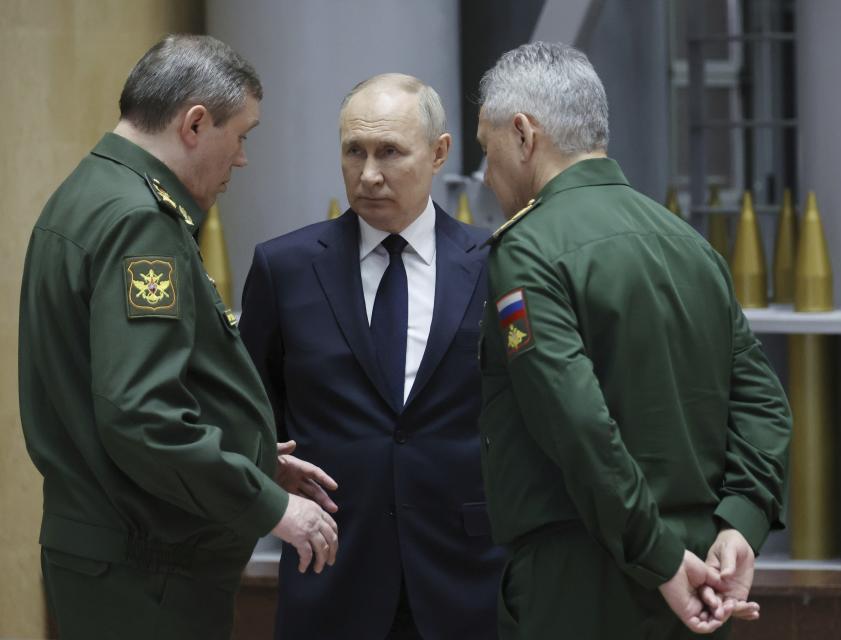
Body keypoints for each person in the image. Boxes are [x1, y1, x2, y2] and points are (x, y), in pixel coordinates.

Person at [19, 34, 339, 640]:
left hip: (116, 556)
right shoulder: (141, 221)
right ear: (195, 123)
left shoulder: (88, 194)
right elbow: (143, 417)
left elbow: (116, 391)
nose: (242, 158)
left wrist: (247, 458)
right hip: (147, 569)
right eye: (241, 135)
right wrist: (268, 505)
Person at [474, 42, 792, 638]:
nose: (487, 176)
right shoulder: (688, 243)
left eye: (485, 150)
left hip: (586, 576)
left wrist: (660, 557)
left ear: (522, 134)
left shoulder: (528, 251)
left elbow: (576, 424)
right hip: (704, 575)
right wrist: (739, 525)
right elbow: (764, 405)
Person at [239, 73, 503, 639]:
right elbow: (249, 412)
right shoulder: (283, 269)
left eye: (389, 152)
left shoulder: (496, 263)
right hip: (332, 570)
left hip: (467, 575)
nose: (369, 175)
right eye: (353, 151)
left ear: (439, 153)